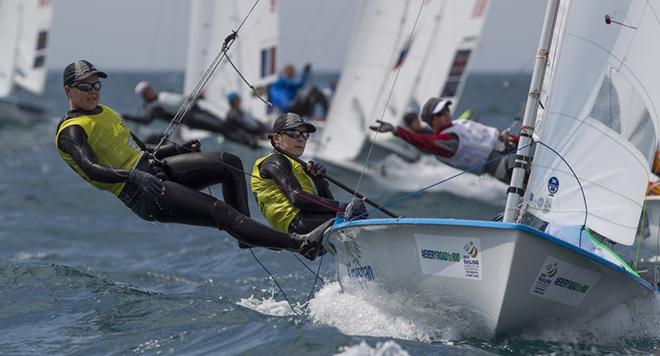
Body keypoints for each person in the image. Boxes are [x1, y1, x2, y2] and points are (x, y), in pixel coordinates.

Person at [55, 60, 327, 260]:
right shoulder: (71, 131)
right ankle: (299, 245)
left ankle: (245, 233)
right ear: (69, 90)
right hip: (142, 192)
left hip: (156, 169)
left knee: (229, 162)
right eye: (85, 86)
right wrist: (134, 176)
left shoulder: (106, 112)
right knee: (223, 213)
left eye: (96, 84)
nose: (93, 91)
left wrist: (178, 150)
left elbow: (140, 149)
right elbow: (91, 169)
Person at [251, 113, 367, 234]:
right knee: (353, 219)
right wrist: (345, 207)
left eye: (305, 134)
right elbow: (298, 198)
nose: (301, 139)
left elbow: (327, 207)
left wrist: (319, 183)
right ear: (276, 138)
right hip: (296, 224)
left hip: (306, 222)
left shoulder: (298, 165)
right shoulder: (275, 161)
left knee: (355, 217)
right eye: (294, 133)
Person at [370, 97, 518, 183]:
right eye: (440, 113)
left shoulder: (457, 124)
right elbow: (426, 141)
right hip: (500, 164)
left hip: (512, 145)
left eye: (446, 110)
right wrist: (396, 131)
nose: (446, 114)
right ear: (431, 120)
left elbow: (427, 133)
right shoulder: (445, 143)